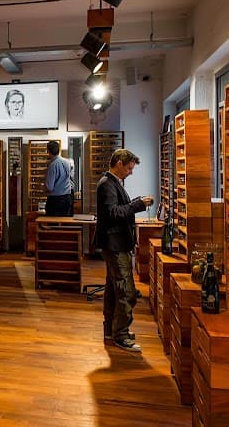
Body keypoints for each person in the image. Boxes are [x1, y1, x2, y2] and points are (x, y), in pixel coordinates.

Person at [94, 148, 153, 353]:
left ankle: (111, 330)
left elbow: (118, 208)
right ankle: (121, 335)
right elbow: (113, 213)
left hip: (116, 243)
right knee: (126, 292)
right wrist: (138, 205)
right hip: (115, 245)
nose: (131, 172)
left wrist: (136, 202)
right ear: (119, 163)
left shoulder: (112, 183)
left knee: (113, 289)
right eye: (129, 168)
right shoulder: (107, 184)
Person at [43, 140, 75, 216]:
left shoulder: (52, 165)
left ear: (48, 151)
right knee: (65, 222)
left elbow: (49, 187)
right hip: (67, 198)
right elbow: (71, 180)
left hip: (55, 200)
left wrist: (43, 187)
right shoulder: (67, 162)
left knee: (53, 222)